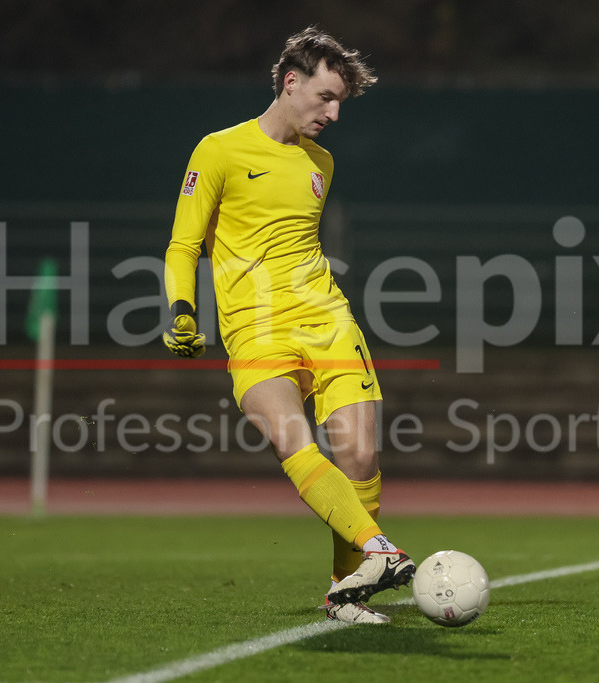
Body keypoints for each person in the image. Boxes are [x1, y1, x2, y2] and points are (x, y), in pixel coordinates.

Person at [161, 27, 414, 624]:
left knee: (359, 455)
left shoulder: (321, 163)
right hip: (253, 331)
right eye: (325, 98)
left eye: (339, 105)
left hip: (325, 319)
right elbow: (182, 245)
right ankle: (378, 549)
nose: (332, 114)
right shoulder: (218, 151)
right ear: (290, 82)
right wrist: (182, 310)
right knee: (292, 440)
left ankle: (345, 593)